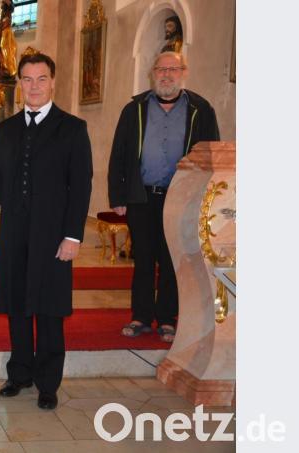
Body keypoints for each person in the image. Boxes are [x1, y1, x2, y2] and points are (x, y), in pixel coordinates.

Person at [0, 53, 92, 410]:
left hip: (53, 235)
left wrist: (73, 236)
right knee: (17, 305)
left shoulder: (72, 128)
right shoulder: (6, 130)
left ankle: (48, 382)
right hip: (14, 231)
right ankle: (20, 373)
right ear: (19, 84)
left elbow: (81, 186)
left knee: (50, 309)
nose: (34, 86)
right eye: (27, 79)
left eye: (41, 79)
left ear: (52, 82)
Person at [108, 51, 219, 343]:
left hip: (182, 198)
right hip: (141, 197)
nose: (167, 75)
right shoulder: (134, 110)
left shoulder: (201, 109)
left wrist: (206, 197)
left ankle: (168, 318)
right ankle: (141, 316)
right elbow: (119, 154)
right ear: (152, 73)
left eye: (173, 69)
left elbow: (212, 154)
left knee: (172, 260)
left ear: (184, 72)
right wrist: (118, 195)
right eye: (161, 69)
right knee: (143, 258)